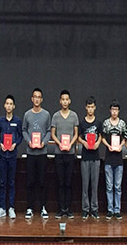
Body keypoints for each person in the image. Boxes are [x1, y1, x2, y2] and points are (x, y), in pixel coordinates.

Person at [22, 87, 52, 220]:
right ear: (32, 99)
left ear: (42, 99)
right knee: (30, 181)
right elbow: (24, 130)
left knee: (42, 181)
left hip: (42, 153)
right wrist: (29, 141)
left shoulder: (46, 114)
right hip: (31, 153)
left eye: (39, 97)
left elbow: (49, 131)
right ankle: (30, 208)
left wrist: (43, 143)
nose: (37, 99)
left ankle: (43, 207)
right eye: (35, 97)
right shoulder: (27, 114)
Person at [51, 89, 79, 219]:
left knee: (69, 182)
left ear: (70, 101)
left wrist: (70, 144)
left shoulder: (74, 116)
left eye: (67, 99)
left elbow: (76, 134)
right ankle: (60, 209)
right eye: (63, 99)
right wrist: (60, 144)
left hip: (70, 153)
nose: (65, 102)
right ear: (60, 101)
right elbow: (53, 134)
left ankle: (68, 209)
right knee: (60, 182)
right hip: (59, 153)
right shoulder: (56, 116)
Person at [0, 94, 23, 219]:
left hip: (12, 155)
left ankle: (11, 207)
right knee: (2, 182)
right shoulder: (0, 121)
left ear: (14, 106)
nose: (9, 106)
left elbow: (21, 136)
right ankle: (2, 208)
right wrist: (0, 144)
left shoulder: (18, 121)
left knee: (11, 182)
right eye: (7, 103)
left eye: (11, 104)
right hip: (3, 155)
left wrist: (15, 144)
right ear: (4, 106)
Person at [77, 96, 102, 219]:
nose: (90, 109)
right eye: (89, 107)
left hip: (96, 157)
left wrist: (98, 143)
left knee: (95, 185)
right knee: (85, 184)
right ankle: (85, 209)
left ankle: (94, 208)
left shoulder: (98, 123)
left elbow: (101, 135)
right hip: (85, 157)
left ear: (95, 108)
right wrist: (83, 142)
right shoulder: (82, 123)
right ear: (86, 108)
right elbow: (78, 137)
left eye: (92, 107)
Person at [101, 100, 126, 220]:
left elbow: (125, 138)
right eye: (113, 109)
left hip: (119, 160)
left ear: (118, 111)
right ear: (110, 110)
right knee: (109, 186)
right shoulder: (106, 123)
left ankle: (117, 210)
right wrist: (108, 145)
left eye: (116, 110)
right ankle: (110, 209)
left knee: (118, 187)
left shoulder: (122, 123)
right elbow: (102, 138)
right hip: (108, 159)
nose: (114, 112)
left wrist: (121, 146)